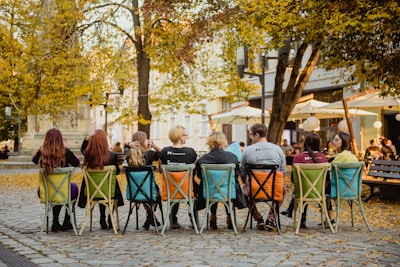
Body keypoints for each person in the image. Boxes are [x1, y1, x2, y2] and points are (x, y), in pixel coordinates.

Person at [32, 128, 80, 232]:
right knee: (73, 188)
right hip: (65, 190)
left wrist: (41, 149)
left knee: (56, 191)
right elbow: (77, 163)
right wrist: (68, 149)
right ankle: (67, 220)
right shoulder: (66, 152)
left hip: (46, 191)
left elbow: (34, 160)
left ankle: (55, 221)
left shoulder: (41, 152)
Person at [240, 123, 286, 231]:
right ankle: (271, 217)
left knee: (242, 190)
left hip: (254, 190)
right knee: (283, 190)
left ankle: (257, 217)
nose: (250, 137)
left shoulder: (247, 150)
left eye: (250, 135)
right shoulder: (278, 149)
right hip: (274, 190)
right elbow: (283, 173)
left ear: (256, 135)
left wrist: (244, 182)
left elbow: (242, 172)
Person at [78, 129, 124, 230]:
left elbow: (83, 149)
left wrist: (87, 139)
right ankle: (109, 217)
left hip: (92, 191)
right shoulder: (112, 156)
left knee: (102, 186)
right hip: (108, 192)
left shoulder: (89, 156)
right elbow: (117, 172)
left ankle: (102, 218)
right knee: (110, 185)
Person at [281, 132, 328, 228]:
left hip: (303, 190)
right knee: (307, 186)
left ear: (305, 143)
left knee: (302, 187)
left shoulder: (299, 158)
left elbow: (294, 179)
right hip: (320, 191)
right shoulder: (323, 158)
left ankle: (301, 218)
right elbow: (327, 177)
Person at [196, 131, 240, 230]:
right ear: (223, 142)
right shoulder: (232, 157)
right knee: (227, 186)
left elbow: (200, 176)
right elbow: (236, 175)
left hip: (208, 193)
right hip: (228, 193)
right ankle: (230, 217)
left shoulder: (203, 159)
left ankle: (213, 216)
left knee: (212, 186)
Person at [159, 125, 197, 229]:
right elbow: (194, 171)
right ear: (180, 137)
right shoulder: (191, 152)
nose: (186, 137)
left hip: (170, 189)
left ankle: (173, 221)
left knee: (175, 186)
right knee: (193, 186)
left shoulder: (164, 151)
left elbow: (160, 170)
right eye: (185, 135)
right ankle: (194, 220)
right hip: (188, 189)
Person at [125, 131, 162, 230]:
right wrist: (153, 145)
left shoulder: (128, 154)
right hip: (149, 190)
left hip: (134, 191)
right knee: (156, 194)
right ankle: (151, 216)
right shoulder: (150, 154)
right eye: (146, 139)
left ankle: (149, 218)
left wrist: (128, 144)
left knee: (145, 194)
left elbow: (123, 148)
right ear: (142, 141)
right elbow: (163, 154)